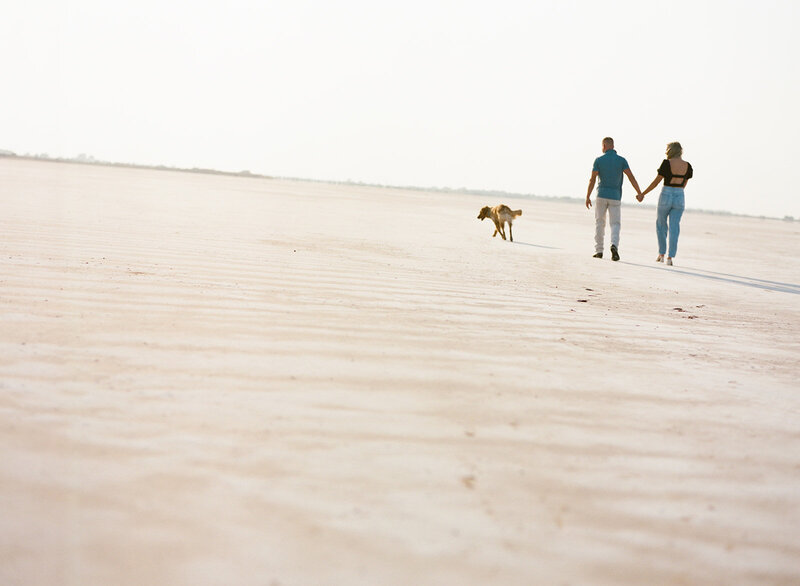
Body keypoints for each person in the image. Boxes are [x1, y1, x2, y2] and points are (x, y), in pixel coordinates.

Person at [585, 137, 642, 261]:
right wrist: (639, 192)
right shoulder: (621, 160)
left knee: (600, 222)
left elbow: (592, 179)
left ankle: (599, 251)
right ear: (613, 146)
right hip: (615, 196)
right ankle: (614, 245)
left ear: (604, 146)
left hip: (601, 195)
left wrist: (588, 196)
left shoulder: (599, 160)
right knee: (615, 223)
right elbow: (631, 177)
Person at [637, 142, 693, 266]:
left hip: (666, 193)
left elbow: (656, 182)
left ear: (670, 150)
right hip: (680, 195)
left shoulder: (666, 163)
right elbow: (684, 184)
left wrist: (643, 193)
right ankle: (670, 257)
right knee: (675, 227)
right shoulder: (687, 165)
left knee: (661, 225)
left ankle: (661, 254)